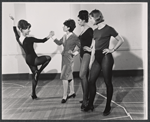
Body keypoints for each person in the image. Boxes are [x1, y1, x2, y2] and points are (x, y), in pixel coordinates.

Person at [83, 9, 124, 116]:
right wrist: (89, 49)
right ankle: (90, 104)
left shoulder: (109, 29)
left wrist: (112, 49)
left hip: (106, 58)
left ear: (96, 17)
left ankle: (107, 106)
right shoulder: (95, 30)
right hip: (97, 58)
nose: (90, 20)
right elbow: (94, 47)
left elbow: (121, 40)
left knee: (107, 82)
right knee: (91, 81)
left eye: (91, 18)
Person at [9, 15, 52, 99]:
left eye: (29, 28)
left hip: (28, 60)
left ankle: (33, 94)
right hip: (34, 59)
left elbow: (14, 30)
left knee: (35, 76)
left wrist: (13, 21)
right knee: (48, 58)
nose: (29, 30)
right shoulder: (29, 39)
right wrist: (49, 35)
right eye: (27, 28)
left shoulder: (18, 38)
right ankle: (38, 72)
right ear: (21, 29)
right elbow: (43, 41)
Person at [50, 19, 81, 103]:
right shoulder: (64, 36)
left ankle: (64, 95)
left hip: (69, 59)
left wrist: (74, 53)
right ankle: (72, 92)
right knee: (69, 75)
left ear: (68, 27)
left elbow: (80, 46)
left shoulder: (75, 37)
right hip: (64, 57)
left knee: (64, 76)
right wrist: (52, 36)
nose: (63, 27)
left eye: (64, 26)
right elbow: (59, 43)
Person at [77, 10, 93, 110]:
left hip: (87, 54)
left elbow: (95, 40)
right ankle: (85, 98)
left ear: (83, 20)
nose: (78, 22)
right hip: (81, 54)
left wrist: (91, 48)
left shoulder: (90, 29)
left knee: (82, 75)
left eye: (79, 20)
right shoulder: (82, 29)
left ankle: (85, 101)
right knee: (84, 76)